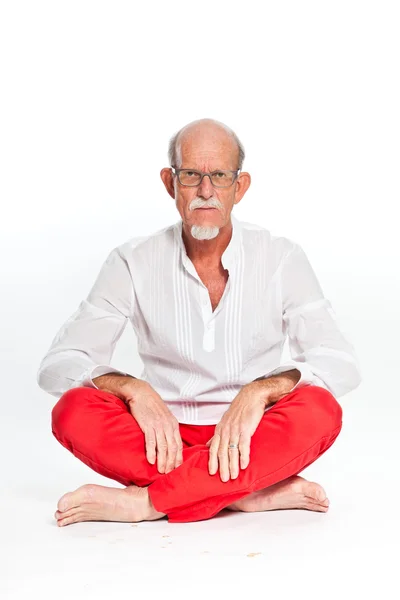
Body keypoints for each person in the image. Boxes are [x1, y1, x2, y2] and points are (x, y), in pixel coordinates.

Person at [37, 118, 361, 527]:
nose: (205, 191)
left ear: (239, 186)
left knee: (320, 409)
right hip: (160, 439)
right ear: (169, 183)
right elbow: (59, 364)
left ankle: (147, 503)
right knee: (73, 410)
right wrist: (132, 388)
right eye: (191, 175)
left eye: (220, 176)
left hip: (252, 436)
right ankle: (247, 493)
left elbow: (340, 363)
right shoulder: (131, 260)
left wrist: (261, 391)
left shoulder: (281, 257)